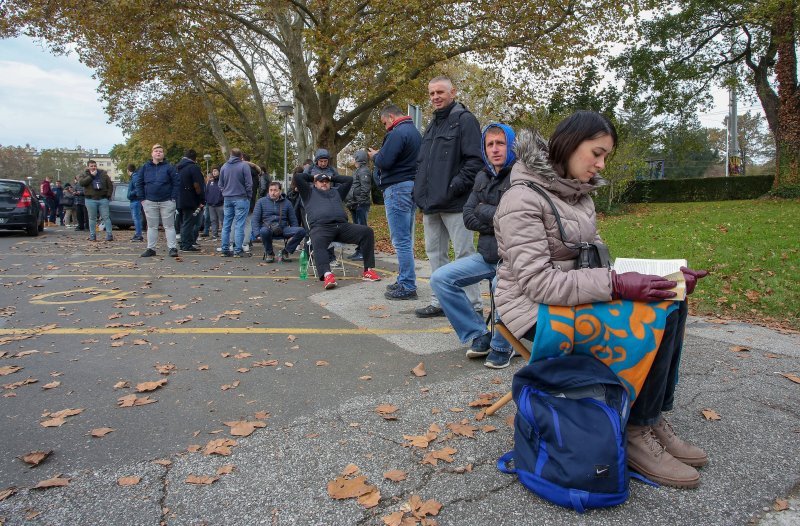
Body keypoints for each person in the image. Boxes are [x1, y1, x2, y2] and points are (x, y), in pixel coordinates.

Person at [493, 110, 709, 489]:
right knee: (649, 316)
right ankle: (635, 432)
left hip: (571, 297)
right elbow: (538, 283)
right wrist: (618, 285)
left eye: (605, 156)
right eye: (597, 152)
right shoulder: (520, 199)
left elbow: (589, 263)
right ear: (568, 145)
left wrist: (661, 279)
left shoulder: (579, 196)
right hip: (533, 309)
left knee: (671, 302)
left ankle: (649, 417)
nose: (600, 164)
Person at [429, 123, 516, 368]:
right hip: (487, 256)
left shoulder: (521, 176)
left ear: (511, 145)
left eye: (501, 143)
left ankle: (504, 345)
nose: (495, 149)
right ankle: (478, 333)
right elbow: (468, 216)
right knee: (440, 279)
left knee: (502, 284)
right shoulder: (482, 175)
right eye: (490, 144)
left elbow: (516, 220)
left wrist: (485, 212)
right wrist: (496, 217)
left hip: (514, 259)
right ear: (484, 148)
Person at [414, 76, 483, 318]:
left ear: (452, 92)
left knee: (465, 255)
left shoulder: (464, 120)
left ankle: (473, 305)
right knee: (435, 254)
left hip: (456, 203)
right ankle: (440, 300)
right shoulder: (433, 124)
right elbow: (423, 163)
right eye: (432, 93)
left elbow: (475, 160)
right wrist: (419, 194)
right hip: (430, 204)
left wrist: (454, 186)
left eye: (440, 92)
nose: (435, 97)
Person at [293, 171, 381, 289]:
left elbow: (348, 180)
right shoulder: (308, 192)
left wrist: (330, 177)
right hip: (321, 227)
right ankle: (327, 275)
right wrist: (313, 177)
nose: (324, 183)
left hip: (342, 226)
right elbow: (298, 177)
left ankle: (368, 270)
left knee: (367, 232)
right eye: (321, 181)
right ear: (315, 183)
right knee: (317, 238)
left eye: (327, 182)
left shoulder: (336, 192)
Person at [369, 104, 422, 300]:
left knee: (401, 241)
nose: (385, 127)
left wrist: (376, 155)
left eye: (384, 123)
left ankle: (407, 285)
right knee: (405, 239)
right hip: (410, 187)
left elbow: (385, 161)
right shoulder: (414, 132)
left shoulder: (397, 133)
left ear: (391, 117)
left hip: (397, 189)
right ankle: (403, 279)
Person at [136, 144, 180, 257]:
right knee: (151, 227)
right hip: (149, 201)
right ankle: (151, 248)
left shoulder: (169, 167)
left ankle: (172, 248)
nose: (158, 153)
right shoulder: (145, 167)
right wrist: (142, 199)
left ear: (163, 154)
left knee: (169, 226)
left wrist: (173, 198)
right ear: (152, 154)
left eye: (160, 151)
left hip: (167, 201)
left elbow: (176, 183)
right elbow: (139, 183)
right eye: (156, 151)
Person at [251, 181, 306, 262]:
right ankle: (270, 253)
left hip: (283, 228)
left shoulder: (287, 203)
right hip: (267, 229)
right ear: (268, 191)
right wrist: (257, 234)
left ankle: (286, 251)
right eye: (271, 190)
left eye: (275, 190)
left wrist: (293, 234)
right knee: (263, 231)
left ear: (280, 191)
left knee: (301, 231)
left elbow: (293, 220)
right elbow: (255, 219)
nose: (273, 193)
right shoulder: (260, 202)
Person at [219, 148, 252, 257]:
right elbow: (249, 184)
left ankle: (224, 249)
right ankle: (238, 250)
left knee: (226, 224)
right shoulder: (244, 166)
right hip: (241, 198)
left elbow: (220, 184)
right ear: (241, 156)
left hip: (227, 198)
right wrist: (248, 196)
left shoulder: (224, 166)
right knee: (239, 224)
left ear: (230, 155)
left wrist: (225, 192)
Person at [176, 149, 206, 252]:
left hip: (178, 198)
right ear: (194, 158)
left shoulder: (177, 167)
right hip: (190, 198)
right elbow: (197, 185)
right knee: (189, 222)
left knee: (182, 222)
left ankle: (182, 242)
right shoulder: (193, 168)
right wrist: (201, 198)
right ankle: (187, 244)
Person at [344, 149, 372, 260]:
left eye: (354, 157)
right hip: (355, 204)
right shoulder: (358, 170)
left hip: (360, 204)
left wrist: (359, 202)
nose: (353, 160)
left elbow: (365, 188)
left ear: (358, 159)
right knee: (357, 229)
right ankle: (359, 250)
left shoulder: (364, 171)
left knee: (362, 228)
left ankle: (363, 252)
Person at [78, 160, 113, 241]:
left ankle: (109, 235)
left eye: (94, 165)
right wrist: (91, 176)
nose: (93, 167)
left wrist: (108, 195)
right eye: (91, 166)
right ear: (88, 167)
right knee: (92, 218)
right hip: (90, 199)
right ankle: (92, 235)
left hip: (103, 199)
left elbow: (110, 185)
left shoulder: (103, 174)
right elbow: (82, 183)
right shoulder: (84, 175)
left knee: (106, 217)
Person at [126, 163, 144, 242]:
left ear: (128, 170)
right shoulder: (135, 176)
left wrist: (130, 194)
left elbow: (138, 189)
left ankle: (138, 235)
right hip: (136, 200)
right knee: (137, 218)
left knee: (136, 218)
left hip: (135, 200)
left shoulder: (135, 177)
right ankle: (138, 234)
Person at [204, 167, 223, 239]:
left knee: (222, 220)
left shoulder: (222, 181)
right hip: (211, 204)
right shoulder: (210, 182)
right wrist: (207, 200)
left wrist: (221, 200)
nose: (214, 172)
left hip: (220, 204)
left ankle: (224, 235)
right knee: (213, 220)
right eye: (213, 171)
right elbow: (207, 192)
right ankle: (214, 234)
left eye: (215, 171)